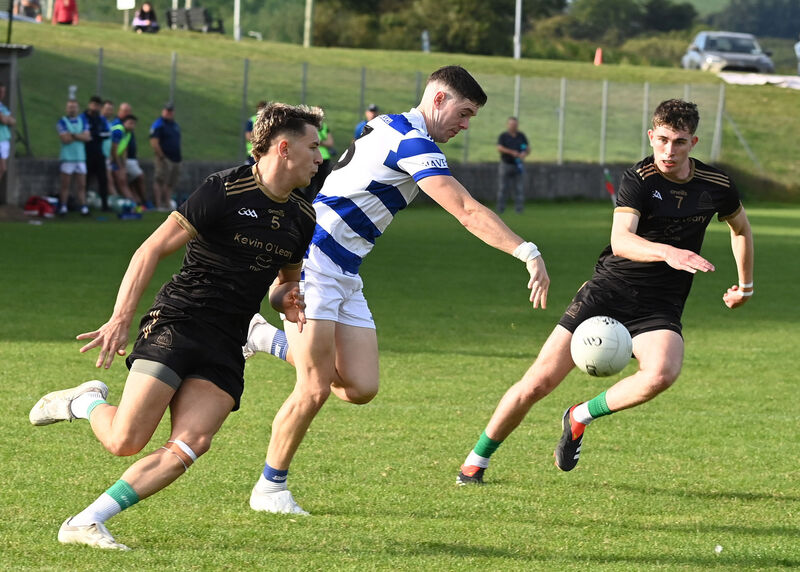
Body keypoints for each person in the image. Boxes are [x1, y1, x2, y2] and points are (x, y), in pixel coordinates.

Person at [243, 66, 550, 515]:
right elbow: (464, 209)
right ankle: (270, 488)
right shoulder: (411, 142)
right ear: (439, 99)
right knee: (314, 388)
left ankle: (262, 338)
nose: (465, 126)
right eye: (463, 114)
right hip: (314, 259)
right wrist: (527, 251)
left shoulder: (389, 124)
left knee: (362, 386)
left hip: (346, 269)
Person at [28, 102, 323, 551]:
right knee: (126, 440)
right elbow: (149, 250)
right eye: (314, 146)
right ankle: (85, 402)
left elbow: (282, 286)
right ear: (284, 148)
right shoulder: (223, 189)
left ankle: (85, 522)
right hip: (180, 321)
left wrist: (290, 299)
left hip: (229, 340)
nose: (321, 156)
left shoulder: (303, 218)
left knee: (192, 444)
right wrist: (120, 319)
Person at [456, 99, 754, 486]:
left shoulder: (716, 185)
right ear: (651, 136)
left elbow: (741, 229)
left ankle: (580, 416)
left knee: (662, 373)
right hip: (609, 291)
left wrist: (745, 286)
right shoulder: (640, 178)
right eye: (662, 139)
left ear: (693, 142)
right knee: (538, 382)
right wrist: (669, 252)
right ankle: (474, 462)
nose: (668, 150)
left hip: (661, 302)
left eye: (679, 142)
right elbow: (622, 241)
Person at [56, 99, 91, 215]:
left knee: (82, 185)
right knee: (65, 184)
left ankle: (83, 206)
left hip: (80, 157)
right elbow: (65, 139)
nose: (72, 109)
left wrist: (73, 135)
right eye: (70, 107)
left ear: (78, 108)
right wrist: (80, 136)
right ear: (67, 109)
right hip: (67, 158)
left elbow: (87, 138)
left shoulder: (83, 120)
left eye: (74, 107)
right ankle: (63, 206)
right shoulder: (62, 121)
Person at [111, 102, 147, 206]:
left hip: (119, 160)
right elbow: (114, 149)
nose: (132, 125)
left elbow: (124, 150)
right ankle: (127, 204)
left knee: (124, 180)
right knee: (120, 180)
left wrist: (123, 164)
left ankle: (134, 203)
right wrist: (119, 164)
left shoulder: (128, 133)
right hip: (110, 160)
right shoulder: (118, 130)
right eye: (130, 123)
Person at [149, 102, 181, 211]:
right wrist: (161, 156)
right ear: (163, 111)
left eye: (171, 111)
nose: (169, 113)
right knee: (160, 180)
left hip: (175, 158)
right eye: (167, 110)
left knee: (170, 182)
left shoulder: (174, 125)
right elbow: (154, 142)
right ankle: (158, 204)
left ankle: (167, 204)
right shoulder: (159, 124)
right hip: (164, 158)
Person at [83, 95, 111, 212]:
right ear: (90, 104)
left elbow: (106, 134)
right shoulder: (83, 118)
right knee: (86, 180)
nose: (95, 107)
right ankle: (83, 205)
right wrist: (95, 135)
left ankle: (105, 205)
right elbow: (84, 134)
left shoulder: (101, 119)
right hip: (86, 154)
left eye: (98, 105)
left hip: (99, 154)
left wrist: (94, 135)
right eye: (93, 104)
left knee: (103, 180)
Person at [496, 116, 529, 214]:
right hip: (506, 165)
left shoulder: (521, 136)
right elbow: (500, 148)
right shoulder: (503, 136)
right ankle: (500, 209)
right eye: (511, 124)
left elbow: (527, 148)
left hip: (518, 165)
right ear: (508, 125)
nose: (513, 126)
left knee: (519, 188)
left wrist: (524, 153)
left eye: (515, 124)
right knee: (503, 188)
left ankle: (519, 210)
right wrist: (511, 152)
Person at [303, 116, 334, 201]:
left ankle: (320, 203)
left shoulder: (324, 127)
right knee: (309, 183)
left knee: (321, 183)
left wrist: (319, 142)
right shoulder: (309, 127)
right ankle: (307, 203)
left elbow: (330, 142)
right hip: (311, 158)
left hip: (324, 159)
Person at [0, 82, 17, 185]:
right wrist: (6, 119)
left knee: (2, 168)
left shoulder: (3, 107)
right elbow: (4, 120)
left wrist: (6, 119)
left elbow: (12, 121)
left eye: (3, 92)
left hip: (3, 140)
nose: (2, 94)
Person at [101, 99, 117, 196]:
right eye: (107, 109)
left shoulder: (109, 123)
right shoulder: (99, 122)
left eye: (111, 110)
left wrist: (111, 155)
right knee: (109, 179)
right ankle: (116, 200)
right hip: (99, 156)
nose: (109, 112)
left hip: (107, 156)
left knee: (109, 179)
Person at [245, 100, 267, 165]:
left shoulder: (269, 121)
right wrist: (260, 139)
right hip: (253, 153)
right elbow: (248, 136)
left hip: (264, 153)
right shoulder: (252, 120)